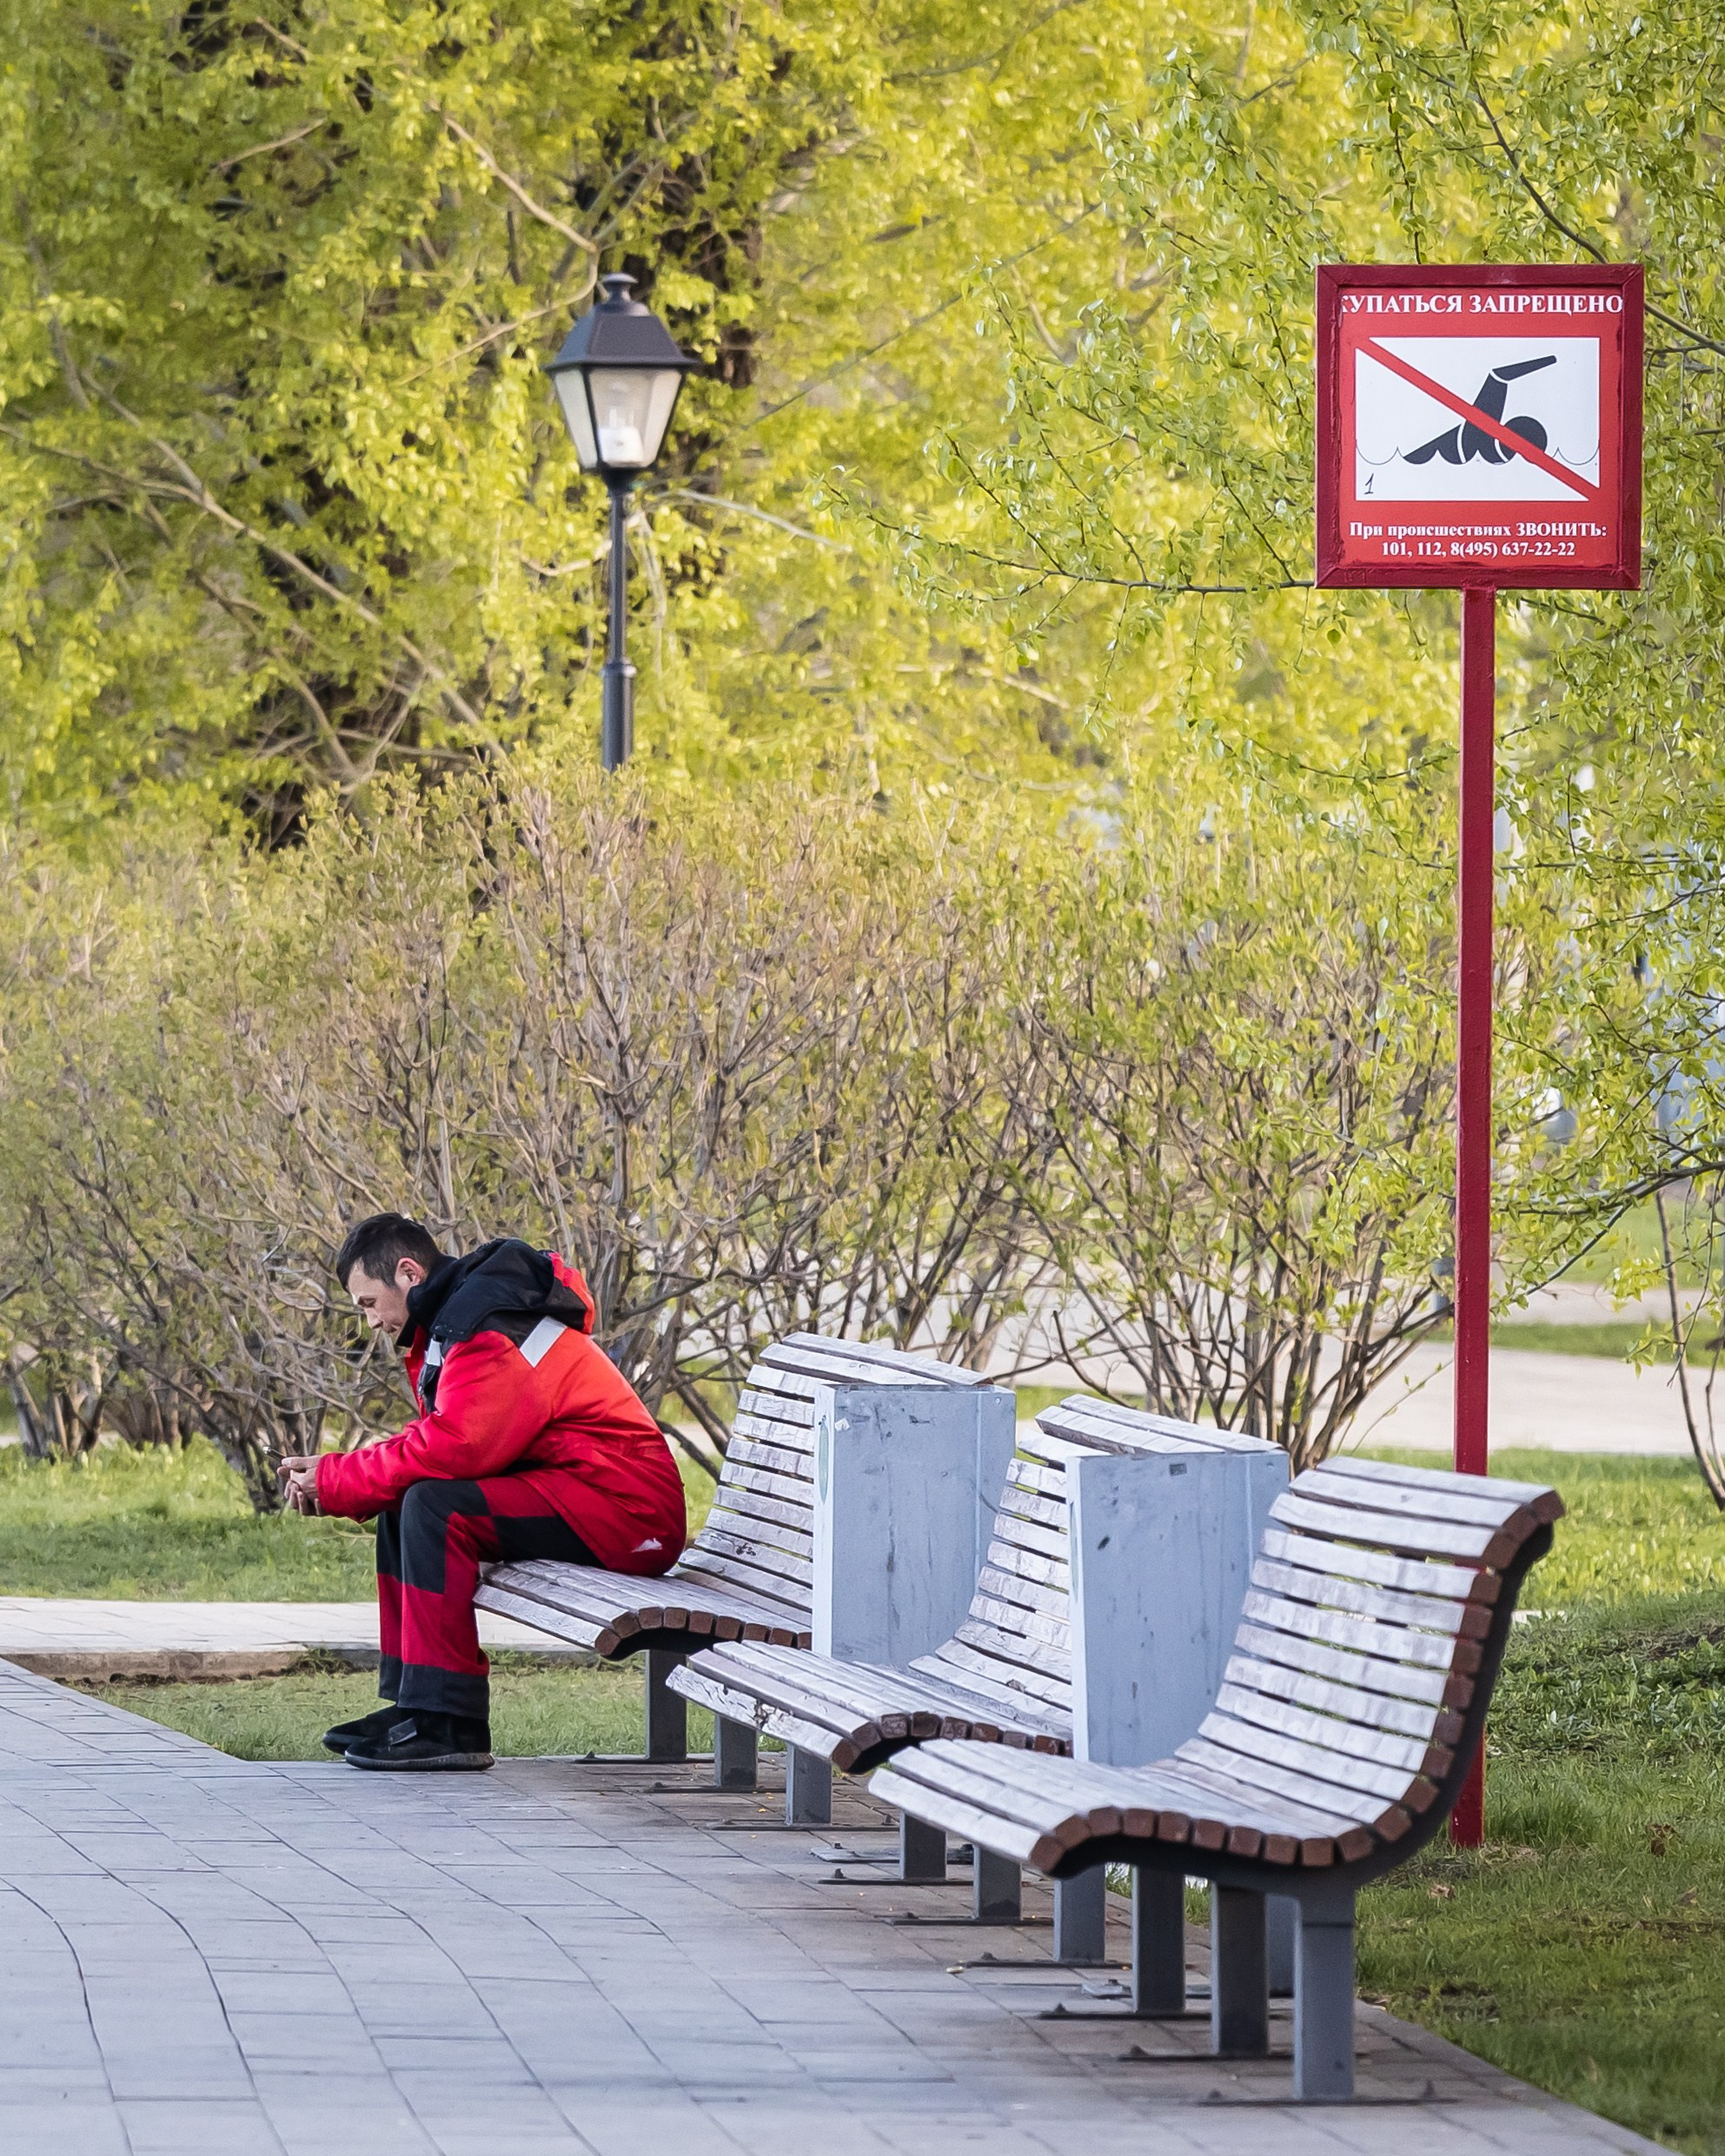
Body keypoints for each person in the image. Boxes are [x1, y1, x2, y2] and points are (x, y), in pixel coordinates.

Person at [278, 1214, 686, 1771]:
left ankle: (451, 1722)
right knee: (406, 1501)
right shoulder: (460, 1321)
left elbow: (458, 1447)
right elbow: (444, 1439)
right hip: (578, 1490)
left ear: (408, 1273)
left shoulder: (489, 1328)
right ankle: (415, 1705)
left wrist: (335, 1479)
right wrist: (336, 1472)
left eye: (369, 1303)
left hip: (630, 1513)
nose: (370, 1320)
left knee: (434, 1507)